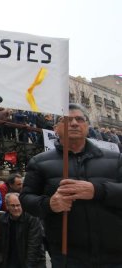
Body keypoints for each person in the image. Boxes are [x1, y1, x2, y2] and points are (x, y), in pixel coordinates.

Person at [20, 103, 122, 267]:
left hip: (114, 255)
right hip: (67, 257)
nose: (74, 123)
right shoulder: (39, 162)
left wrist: (97, 190)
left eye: (80, 119)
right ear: (56, 128)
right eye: (67, 120)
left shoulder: (116, 159)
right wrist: (49, 204)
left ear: (87, 126)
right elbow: (25, 199)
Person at [0, 193, 46, 268]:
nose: (16, 208)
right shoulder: (3, 219)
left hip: (31, 261)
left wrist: (29, 265)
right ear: (7, 206)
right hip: (12, 260)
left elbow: (34, 245)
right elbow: (4, 244)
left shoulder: (32, 218)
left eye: (18, 205)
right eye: (13, 205)